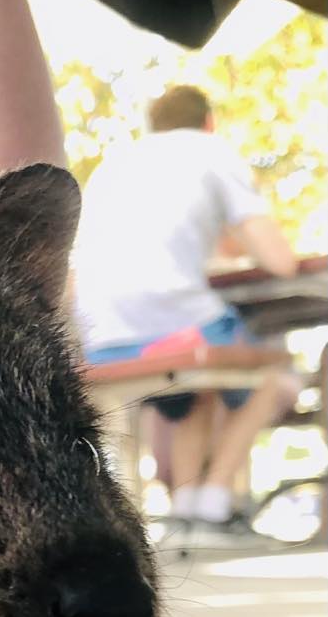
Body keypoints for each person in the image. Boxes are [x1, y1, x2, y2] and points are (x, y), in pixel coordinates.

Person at [73, 85, 301, 535]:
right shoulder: (211, 152)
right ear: (208, 122)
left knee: (195, 393)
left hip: (100, 334)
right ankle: (215, 500)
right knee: (277, 376)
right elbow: (281, 262)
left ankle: (187, 513)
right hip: (173, 322)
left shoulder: (114, 165)